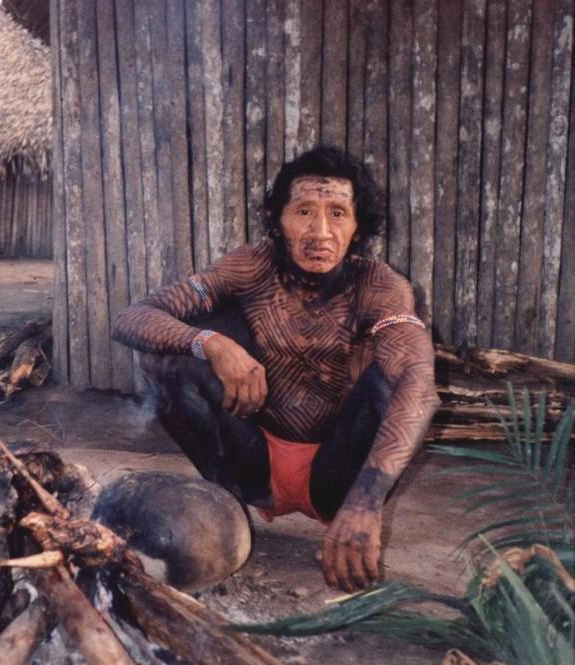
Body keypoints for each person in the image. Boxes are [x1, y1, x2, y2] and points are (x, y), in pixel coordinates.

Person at [111, 145, 440, 592]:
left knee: (392, 380)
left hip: (336, 473)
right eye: (303, 211)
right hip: (252, 461)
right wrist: (210, 342)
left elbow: (419, 384)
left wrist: (366, 501)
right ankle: (226, 510)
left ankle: (347, 516)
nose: (319, 231)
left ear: (358, 224)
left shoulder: (379, 285)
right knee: (168, 358)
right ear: (277, 218)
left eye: (338, 213)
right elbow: (133, 316)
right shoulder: (251, 266)